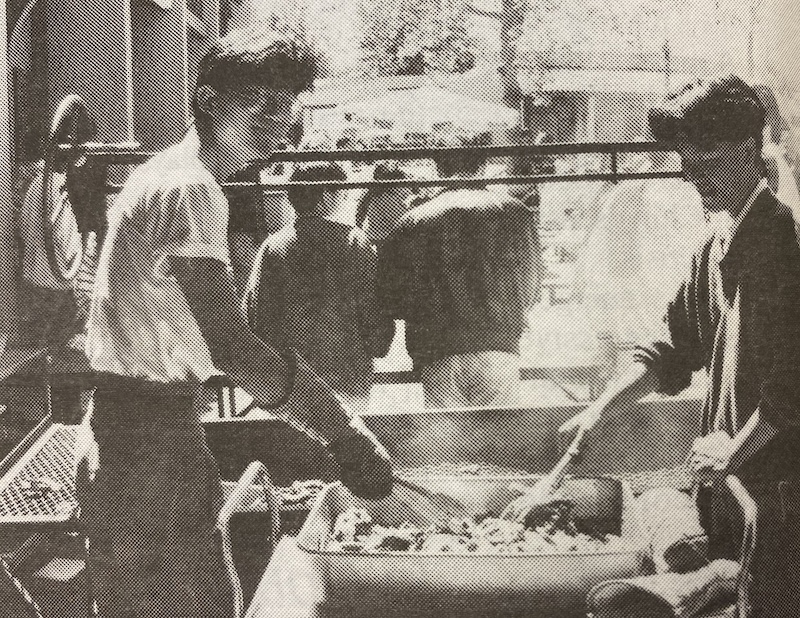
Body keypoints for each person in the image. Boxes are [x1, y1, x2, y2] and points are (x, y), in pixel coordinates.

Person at [78, 27, 393, 618]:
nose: (278, 125)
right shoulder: (194, 190)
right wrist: (341, 432)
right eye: (262, 106)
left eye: (287, 110)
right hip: (147, 441)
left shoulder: (168, 172)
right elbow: (231, 344)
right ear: (211, 100)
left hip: (136, 430)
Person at [560, 75, 800, 617]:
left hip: (779, 497)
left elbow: (791, 392)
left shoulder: (782, 243)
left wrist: (734, 450)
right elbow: (673, 347)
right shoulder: (718, 242)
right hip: (733, 490)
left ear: (748, 149)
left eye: (707, 168)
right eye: (689, 170)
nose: (697, 185)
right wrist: (602, 407)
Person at [378, 132, 541, 408]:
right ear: (483, 166)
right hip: (498, 344)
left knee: (449, 445)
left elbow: (392, 298)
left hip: (437, 350)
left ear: (437, 168)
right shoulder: (515, 213)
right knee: (496, 440)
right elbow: (532, 287)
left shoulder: (412, 221)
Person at [245, 162, 395, 415]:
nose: (345, 198)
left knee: (301, 451)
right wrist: (378, 346)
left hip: (291, 378)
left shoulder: (272, 247)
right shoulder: (354, 242)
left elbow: (256, 313)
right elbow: (374, 308)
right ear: (326, 194)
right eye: (342, 192)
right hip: (348, 370)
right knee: (347, 445)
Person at [355, 161, 417, 247]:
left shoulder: (370, 193)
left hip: (377, 238)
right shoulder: (376, 194)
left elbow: (360, 216)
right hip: (390, 239)